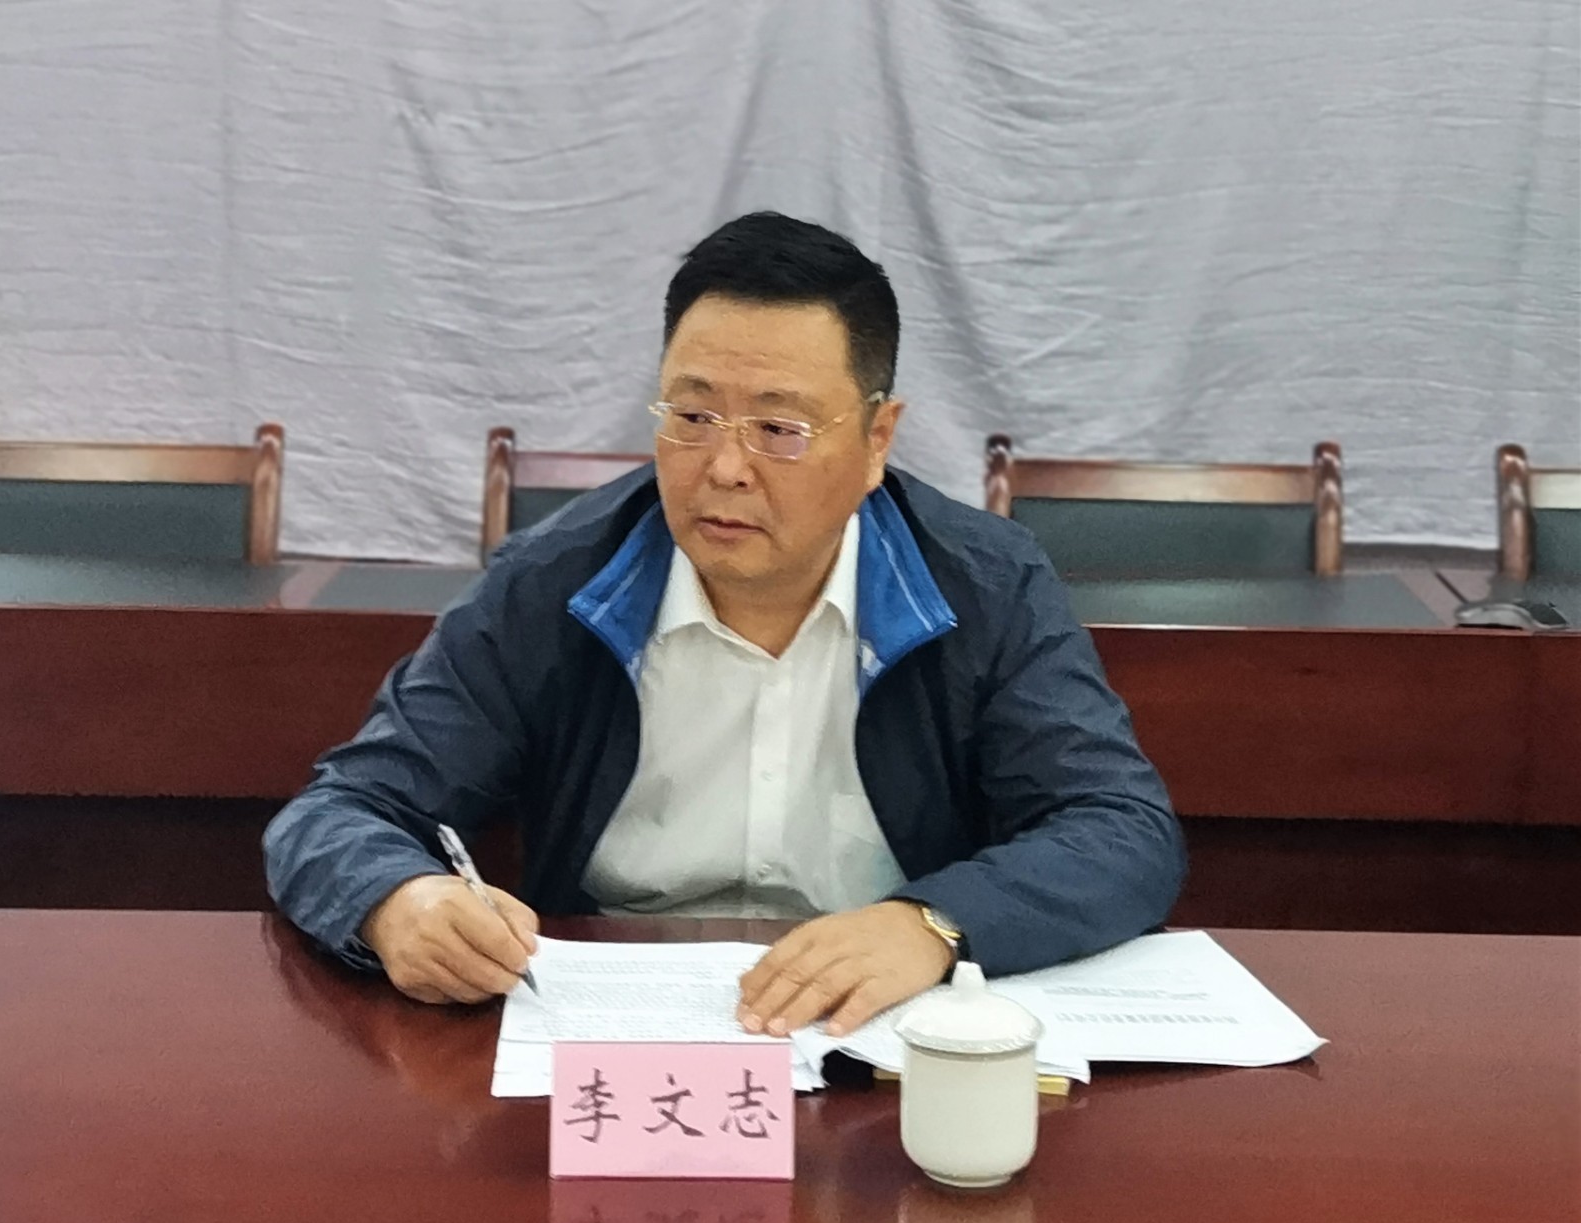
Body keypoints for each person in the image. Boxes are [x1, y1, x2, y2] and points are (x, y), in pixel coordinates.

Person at [264, 210, 1184, 1039]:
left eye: (779, 428)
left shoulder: (984, 586)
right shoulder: (555, 583)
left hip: (876, 1029)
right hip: (614, 1028)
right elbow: (341, 810)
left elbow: (1120, 826)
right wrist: (398, 901)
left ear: (877, 439)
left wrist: (933, 923)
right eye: (693, 415)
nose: (725, 467)